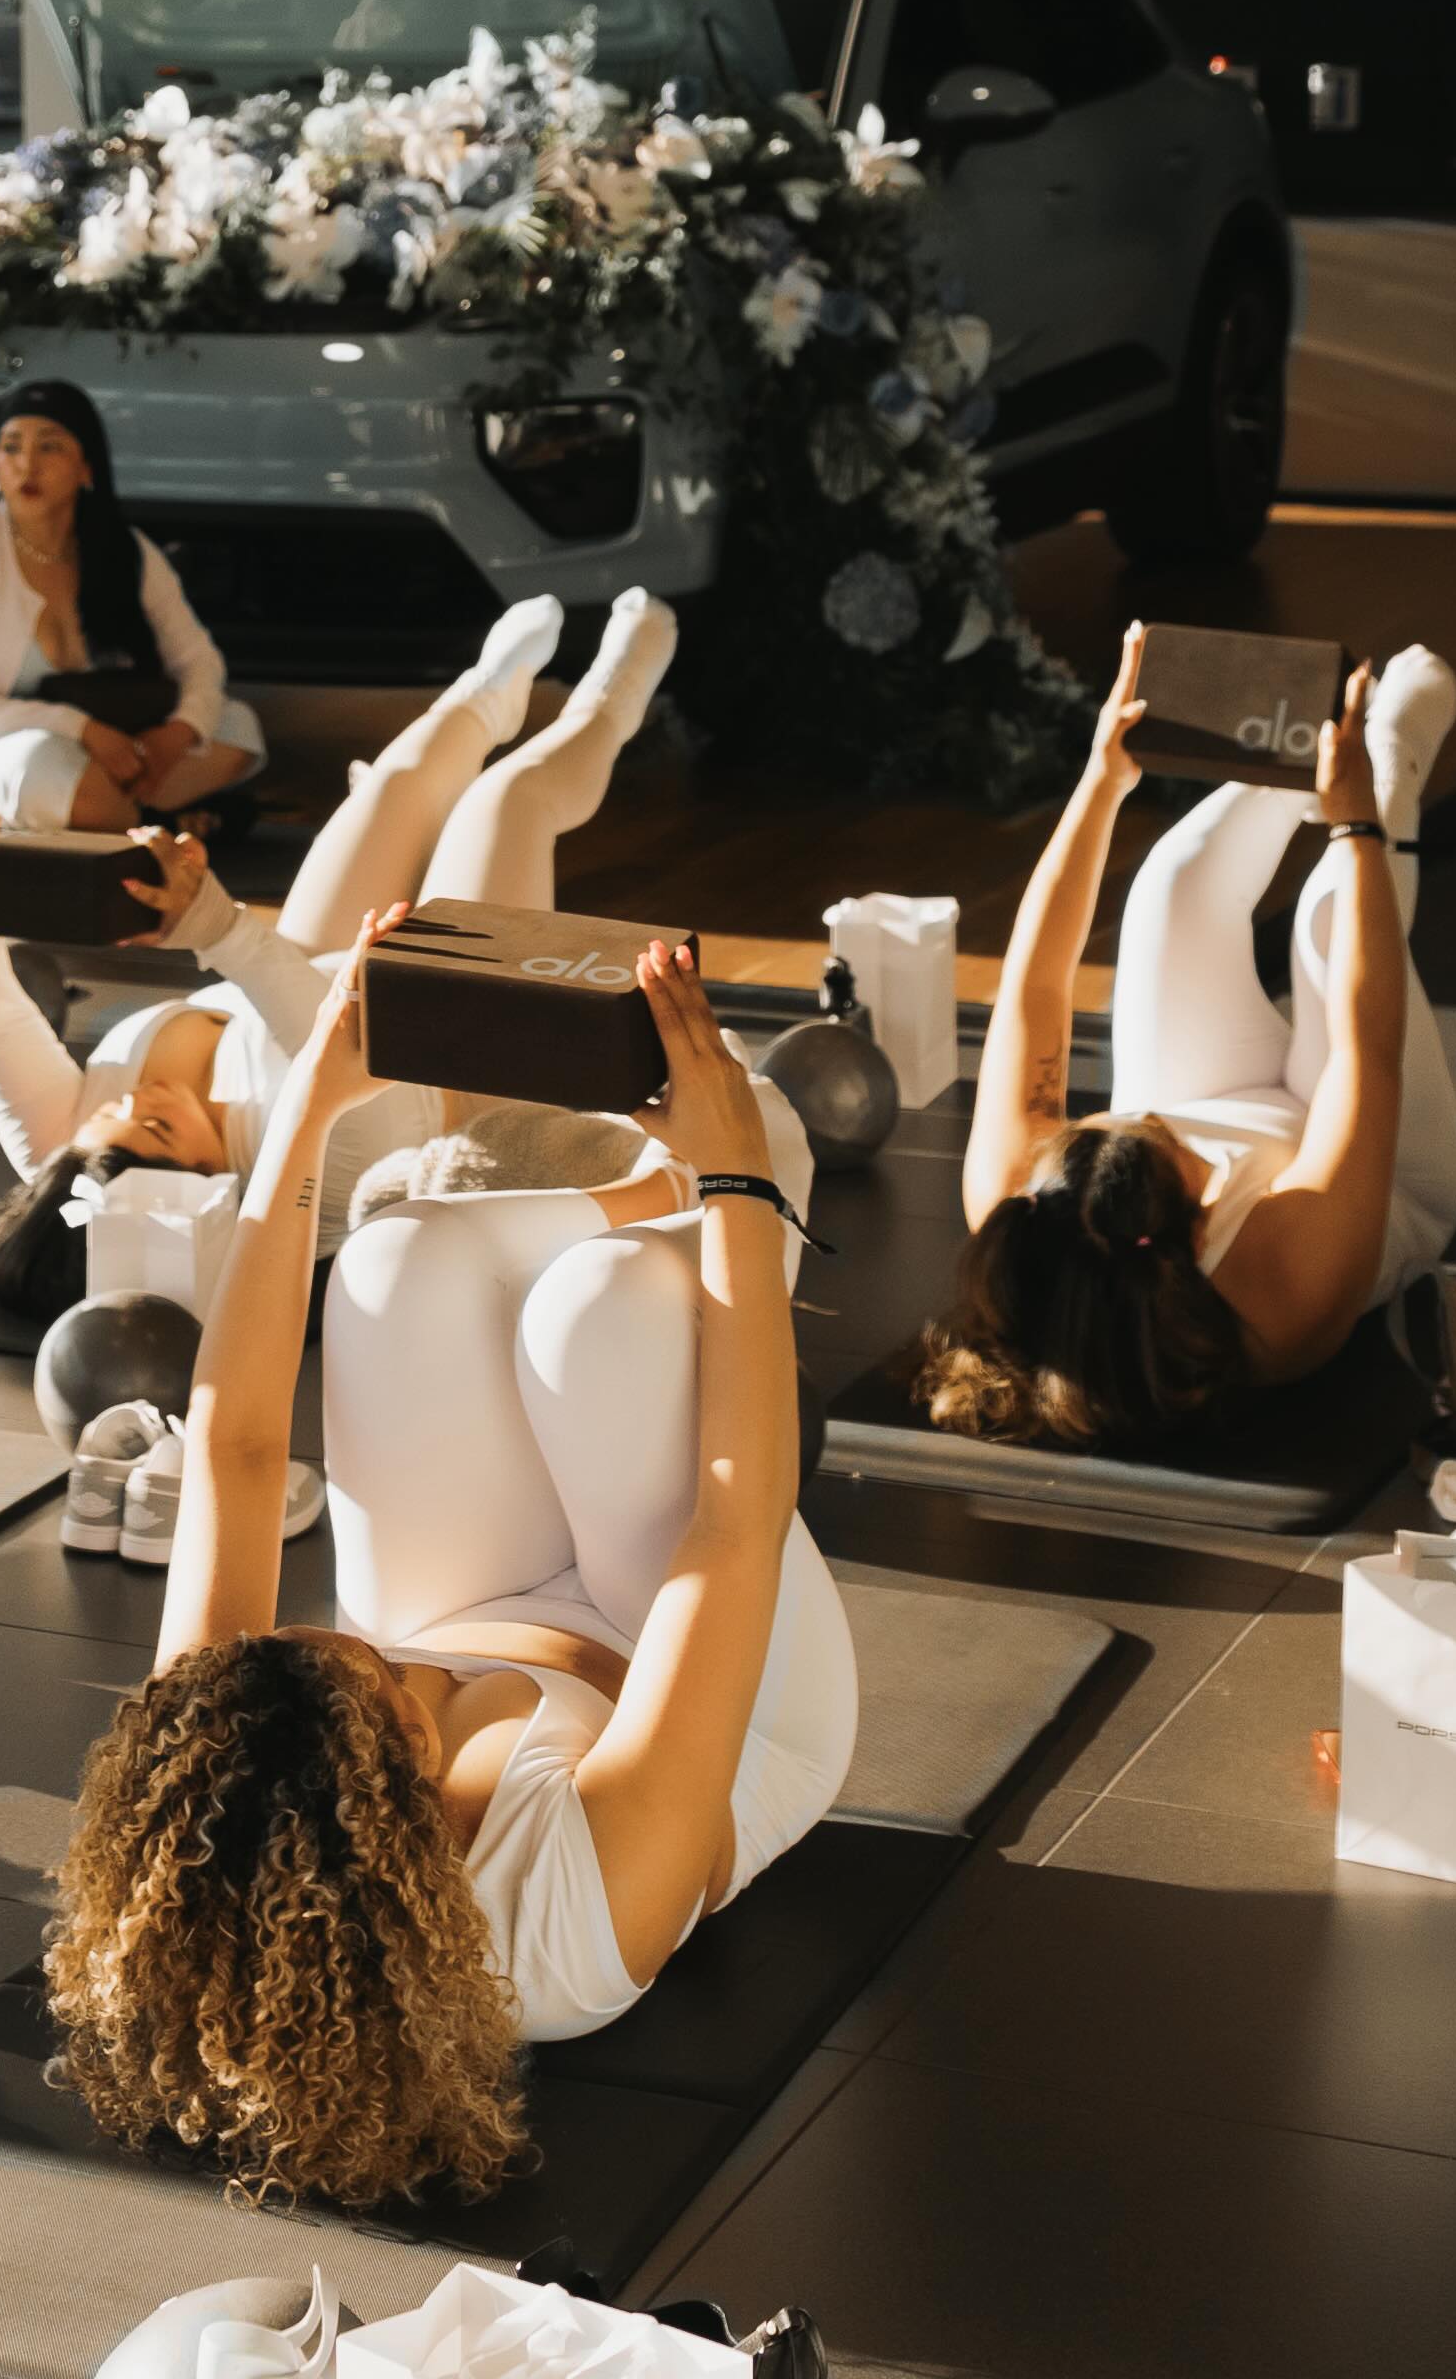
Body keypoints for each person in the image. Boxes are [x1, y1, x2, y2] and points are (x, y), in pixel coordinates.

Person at [46, 916, 852, 2210]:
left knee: (392, 1260)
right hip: (728, 1691)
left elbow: (236, 1448)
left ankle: (643, 1189)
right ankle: (715, 1185)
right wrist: (739, 1184)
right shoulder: (568, 1919)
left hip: (507, 1599)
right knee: (601, 1314)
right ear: (404, 1770)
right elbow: (729, 1525)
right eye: (373, 1672)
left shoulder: (237, 1751)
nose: (348, 1635)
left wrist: (310, 1106)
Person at [0, 582, 683, 1308]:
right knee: (507, 801)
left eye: (109, 1114)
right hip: (450, 1047)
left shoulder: (70, 1162)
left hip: (304, 968)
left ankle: (491, 693)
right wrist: (213, 926)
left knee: (395, 784)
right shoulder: (305, 1169)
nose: (134, 1100)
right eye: (157, 1127)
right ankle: (613, 704)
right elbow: (339, 1032)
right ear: (202, 1185)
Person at [931, 630, 1456, 1448]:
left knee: (1172, 889)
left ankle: (1307, 744)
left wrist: (1101, 782)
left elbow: (1036, 986)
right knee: (1328, 922)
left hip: (1230, 1102)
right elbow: (1368, 1046)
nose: (1157, 1120)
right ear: (1201, 1225)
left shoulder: (1019, 1208)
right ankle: (1387, 750)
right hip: (1384, 1180)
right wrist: (1357, 821)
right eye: (1177, 1146)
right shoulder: (1282, 1292)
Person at [0, 383, 258, 829]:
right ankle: (156, 822)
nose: (27, 465)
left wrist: (174, 736)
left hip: (108, 740)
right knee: (62, 779)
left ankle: (129, 817)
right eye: (11, 447)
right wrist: (81, 729)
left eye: (49, 447)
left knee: (237, 728)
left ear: (86, 467)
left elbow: (199, 661)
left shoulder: (123, 549)